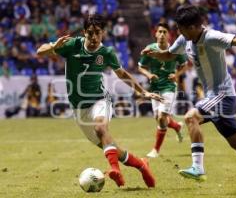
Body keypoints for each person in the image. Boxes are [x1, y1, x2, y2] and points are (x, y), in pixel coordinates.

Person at [142, 5, 236, 193]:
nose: (179, 32)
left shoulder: (211, 37)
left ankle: (198, 168)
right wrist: (155, 54)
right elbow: (170, 54)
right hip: (214, 96)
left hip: (223, 95)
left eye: (181, 28)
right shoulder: (185, 39)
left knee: (191, 117)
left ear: (193, 27)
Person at [37, 14, 163, 188]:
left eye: (97, 32)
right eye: (90, 33)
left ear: (103, 33)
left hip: (100, 100)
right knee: (111, 147)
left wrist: (142, 92)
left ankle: (114, 170)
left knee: (101, 128)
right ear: (84, 32)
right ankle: (142, 164)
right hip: (79, 109)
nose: (94, 37)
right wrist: (53, 46)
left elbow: (122, 74)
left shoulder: (106, 53)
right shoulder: (72, 45)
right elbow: (40, 52)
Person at [138, 22, 188, 158]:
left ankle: (155, 150)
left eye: (165, 32)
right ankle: (177, 126)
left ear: (169, 36)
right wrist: (149, 75)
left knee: (161, 118)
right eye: (159, 32)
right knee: (158, 118)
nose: (162, 34)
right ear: (155, 34)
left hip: (169, 87)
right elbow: (140, 67)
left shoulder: (175, 50)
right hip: (155, 87)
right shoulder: (150, 49)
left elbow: (185, 65)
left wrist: (176, 75)